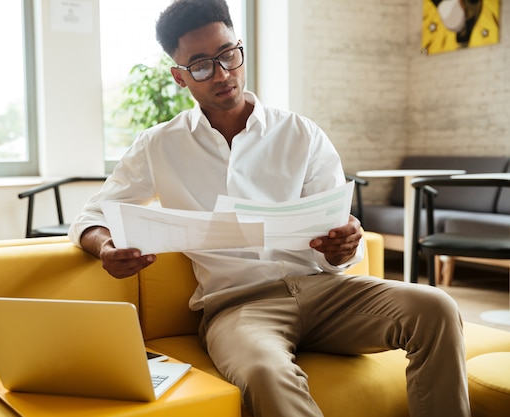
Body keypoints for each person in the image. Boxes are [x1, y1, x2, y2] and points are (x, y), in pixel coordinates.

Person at [68, 0, 470, 416]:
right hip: (238, 307)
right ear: (179, 77)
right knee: (263, 370)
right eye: (202, 65)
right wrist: (105, 248)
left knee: (437, 307)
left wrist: (342, 246)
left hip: (325, 293)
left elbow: (337, 237)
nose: (223, 74)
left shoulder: (300, 133)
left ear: (239, 48)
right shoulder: (159, 145)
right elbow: (92, 215)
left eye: (228, 55)